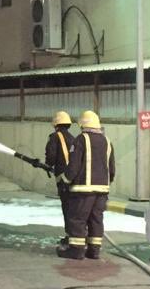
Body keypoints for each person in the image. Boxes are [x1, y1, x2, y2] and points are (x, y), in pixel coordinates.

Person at [57, 109, 115, 261]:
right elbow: (112, 169)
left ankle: (76, 250)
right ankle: (94, 251)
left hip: (83, 191)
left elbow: (73, 166)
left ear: (83, 125)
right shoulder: (107, 142)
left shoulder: (81, 140)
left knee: (77, 219)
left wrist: (65, 180)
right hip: (102, 191)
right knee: (96, 220)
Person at [44, 111, 75, 246]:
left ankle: (70, 237)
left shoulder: (55, 137)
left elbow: (51, 156)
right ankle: (78, 235)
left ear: (55, 124)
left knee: (67, 208)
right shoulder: (73, 138)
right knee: (75, 209)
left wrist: (47, 165)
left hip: (63, 179)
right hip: (74, 178)